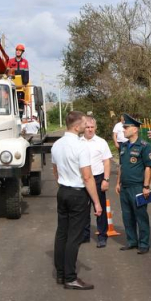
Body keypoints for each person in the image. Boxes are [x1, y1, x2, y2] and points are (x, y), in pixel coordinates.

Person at [52, 111, 103, 289]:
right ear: (76, 126)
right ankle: (71, 277)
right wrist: (96, 202)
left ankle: (60, 274)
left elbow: (55, 170)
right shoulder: (81, 146)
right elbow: (87, 177)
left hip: (63, 191)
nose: (85, 124)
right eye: (83, 123)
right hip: (77, 193)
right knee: (74, 236)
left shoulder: (56, 145)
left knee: (62, 233)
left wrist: (62, 185)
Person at [115, 114, 151, 254]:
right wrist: (118, 182)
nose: (124, 130)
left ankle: (144, 244)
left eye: (126, 127)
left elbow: (148, 167)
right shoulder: (123, 146)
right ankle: (132, 241)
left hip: (137, 187)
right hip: (125, 187)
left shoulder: (144, 146)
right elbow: (121, 166)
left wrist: (146, 186)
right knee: (127, 216)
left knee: (141, 216)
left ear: (135, 129)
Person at [81, 116, 113, 247]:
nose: (89, 129)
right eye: (87, 127)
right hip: (82, 179)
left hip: (98, 178)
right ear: (83, 127)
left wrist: (106, 179)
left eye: (92, 127)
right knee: (83, 209)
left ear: (95, 128)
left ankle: (102, 235)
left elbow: (106, 162)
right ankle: (84, 235)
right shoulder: (78, 142)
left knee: (100, 209)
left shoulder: (101, 142)